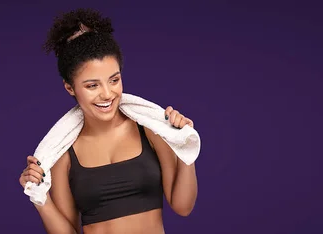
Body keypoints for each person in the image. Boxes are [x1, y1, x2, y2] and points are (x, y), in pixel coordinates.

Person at [18, 8, 198, 234]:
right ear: (69, 88)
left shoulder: (150, 130)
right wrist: (39, 197)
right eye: (92, 85)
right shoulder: (62, 153)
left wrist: (185, 143)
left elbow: (183, 206)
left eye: (114, 80)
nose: (107, 94)